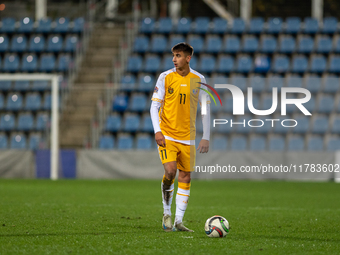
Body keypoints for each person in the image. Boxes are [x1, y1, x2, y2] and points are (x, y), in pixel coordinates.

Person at [150, 42, 211, 232]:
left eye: (177, 55)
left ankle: (178, 221)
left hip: (188, 137)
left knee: (185, 176)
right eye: (173, 56)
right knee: (170, 171)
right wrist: (157, 131)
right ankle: (167, 213)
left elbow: (205, 110)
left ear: (188, 58)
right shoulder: (165, 77)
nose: (174, 59)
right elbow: (154, 107)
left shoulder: (199, 79)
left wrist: (206, 136)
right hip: (167, 134)